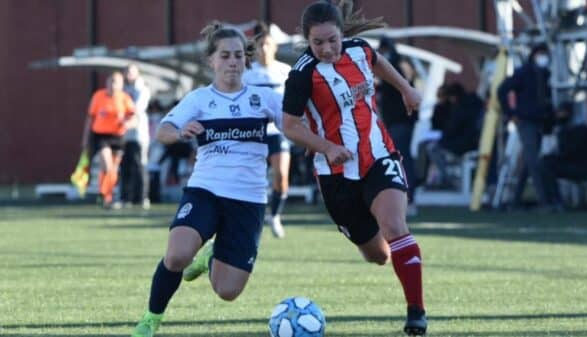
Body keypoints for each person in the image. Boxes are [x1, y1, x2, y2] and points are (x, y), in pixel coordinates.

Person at [281, 1, 427, 335]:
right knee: (378, 255)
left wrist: (405, 88)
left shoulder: (360, 50)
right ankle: (397, 253)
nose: (327, 48)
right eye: (318, 43)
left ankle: (416, 313)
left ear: (342, 34)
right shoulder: (302, 74)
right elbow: (289, 125)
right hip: (336, 176)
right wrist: (327, 147)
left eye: (332, 40)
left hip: (378, 155)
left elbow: (379, 63)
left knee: (395, 226)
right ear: (307, 40)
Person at [130, 22, 283, 337]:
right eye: (225, 55)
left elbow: (294, 126)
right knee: (176, 255)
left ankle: (212, 256)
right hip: (206, 190)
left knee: (228, 292)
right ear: (211, 61)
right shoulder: (199, 99)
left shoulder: (263, 98)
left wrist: (322, 147)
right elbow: (163, 131)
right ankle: (150, 320)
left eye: (238, 56)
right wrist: (181, 131)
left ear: (246, 60)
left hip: (249, 198)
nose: (232, 62)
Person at [242, 21, 292, 238]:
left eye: (268, 44)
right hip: (253, 133)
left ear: (275, 47)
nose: (264, 49)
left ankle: (276, 215)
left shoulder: (285, 71)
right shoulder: (247, 73)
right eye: (260, 44)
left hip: (278, 131)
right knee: (253, 179)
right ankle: (251, 217)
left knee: (281, 176)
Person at [498, 43, 554, 209]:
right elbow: (502, 90)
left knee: (528, 162)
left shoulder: (544, 74)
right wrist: (511, 113)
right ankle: (544, 201)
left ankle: (514, 201)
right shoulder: (523, 73)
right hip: (526, 121)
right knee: (534, 161)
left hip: (539, 122)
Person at [376, 36, 419, 215]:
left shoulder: (394, 67)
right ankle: (407, 198)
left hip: (398, 121)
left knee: (401, 160)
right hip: (403, 121)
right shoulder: (404, 65)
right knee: (403, 159)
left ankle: (407, 198)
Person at [81, 71, 136, 208]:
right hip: (101, 136)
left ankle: (107, 195)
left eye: (116, 82)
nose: (112, 85)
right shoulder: (99, 96)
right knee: (107, 163)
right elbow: (90, 118)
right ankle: (104, 192)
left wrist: (128, 123)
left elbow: (134, 117)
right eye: (110, 82)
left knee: (113, 169)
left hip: (117, 136)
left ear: (121, 84)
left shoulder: (124, 98)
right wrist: (85, 138)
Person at [537, 101, 587, 211]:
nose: (558, 116)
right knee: (544, 163)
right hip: (576, 165)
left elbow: (568, 152)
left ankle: (556, 201)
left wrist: (555, 155)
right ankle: (554, 200)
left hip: (583, 168)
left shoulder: (579, 129)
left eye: (561, 113)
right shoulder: (567, 128)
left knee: (546, 165)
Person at [425, 82, 483, 188]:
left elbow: (452, 129)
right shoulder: (475, 103)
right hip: (474, 141)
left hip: (463, 144)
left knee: (432, 148)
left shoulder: (460, 108)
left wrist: (443, 138)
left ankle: (447, 179)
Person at [120, 63, 152, 209]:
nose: (128, 75)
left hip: (138, 134)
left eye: (131, 72)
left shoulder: (142, 89)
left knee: (139, 165)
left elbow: (137, 109)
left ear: (137, 73)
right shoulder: (122, 90)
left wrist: (125, 119)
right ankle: (126, 198)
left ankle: (142, 197)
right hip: (123, 135)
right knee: (125, 166)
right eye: (126, 72)